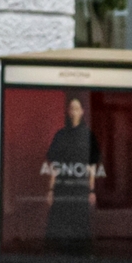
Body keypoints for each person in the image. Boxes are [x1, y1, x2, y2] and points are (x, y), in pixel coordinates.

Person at [41, 95, 98, 253]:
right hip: (62, 187)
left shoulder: (88, 136)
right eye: (71, 109)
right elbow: (55, 165)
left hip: (80, 188)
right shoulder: (60, 136)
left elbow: (92, 166)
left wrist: (91, 190)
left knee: (80, 224)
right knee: (59, 224)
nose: (74, 112)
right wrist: (51, 190)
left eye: (77, 109)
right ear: (67, 111)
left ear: (83, 112)